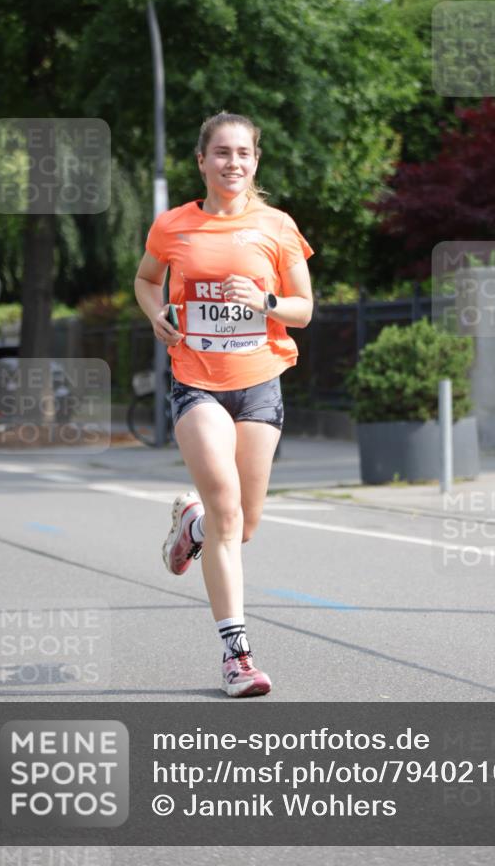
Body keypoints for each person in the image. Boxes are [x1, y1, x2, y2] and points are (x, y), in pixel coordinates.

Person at [134, 112, 313, 697]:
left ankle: (192, 526)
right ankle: (238, 659)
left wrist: (264, 300)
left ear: (255, 161)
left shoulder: (277, 226)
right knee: (228, 512)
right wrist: (156, 312)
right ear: (201, 160)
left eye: (243, 153)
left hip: (260, 381)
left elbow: (303, 309)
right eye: (220, 153)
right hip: (197, 380)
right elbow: (144, 279)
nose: (232, 162)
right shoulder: (174, 226)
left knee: (243, 526)